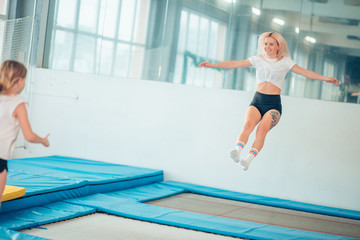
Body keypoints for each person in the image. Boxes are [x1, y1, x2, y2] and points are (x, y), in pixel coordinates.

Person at [199, 32, 338, 170]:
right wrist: (213, 65)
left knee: (261, 130)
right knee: (247, 125)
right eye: (265, 44)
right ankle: (237, 150)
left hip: (273, 105)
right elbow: (235, 64)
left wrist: (326, 78)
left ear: (278, 46)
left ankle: (248, 159)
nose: (267, 47)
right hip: (257, 100)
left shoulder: (285, 62)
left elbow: (305, 72)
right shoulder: (257, 59)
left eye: (271, 44)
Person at [0, 60, 49, 204]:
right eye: (25, 80)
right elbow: (29, 136)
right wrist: (43, 140)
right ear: (19, 80)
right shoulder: (18, 103)